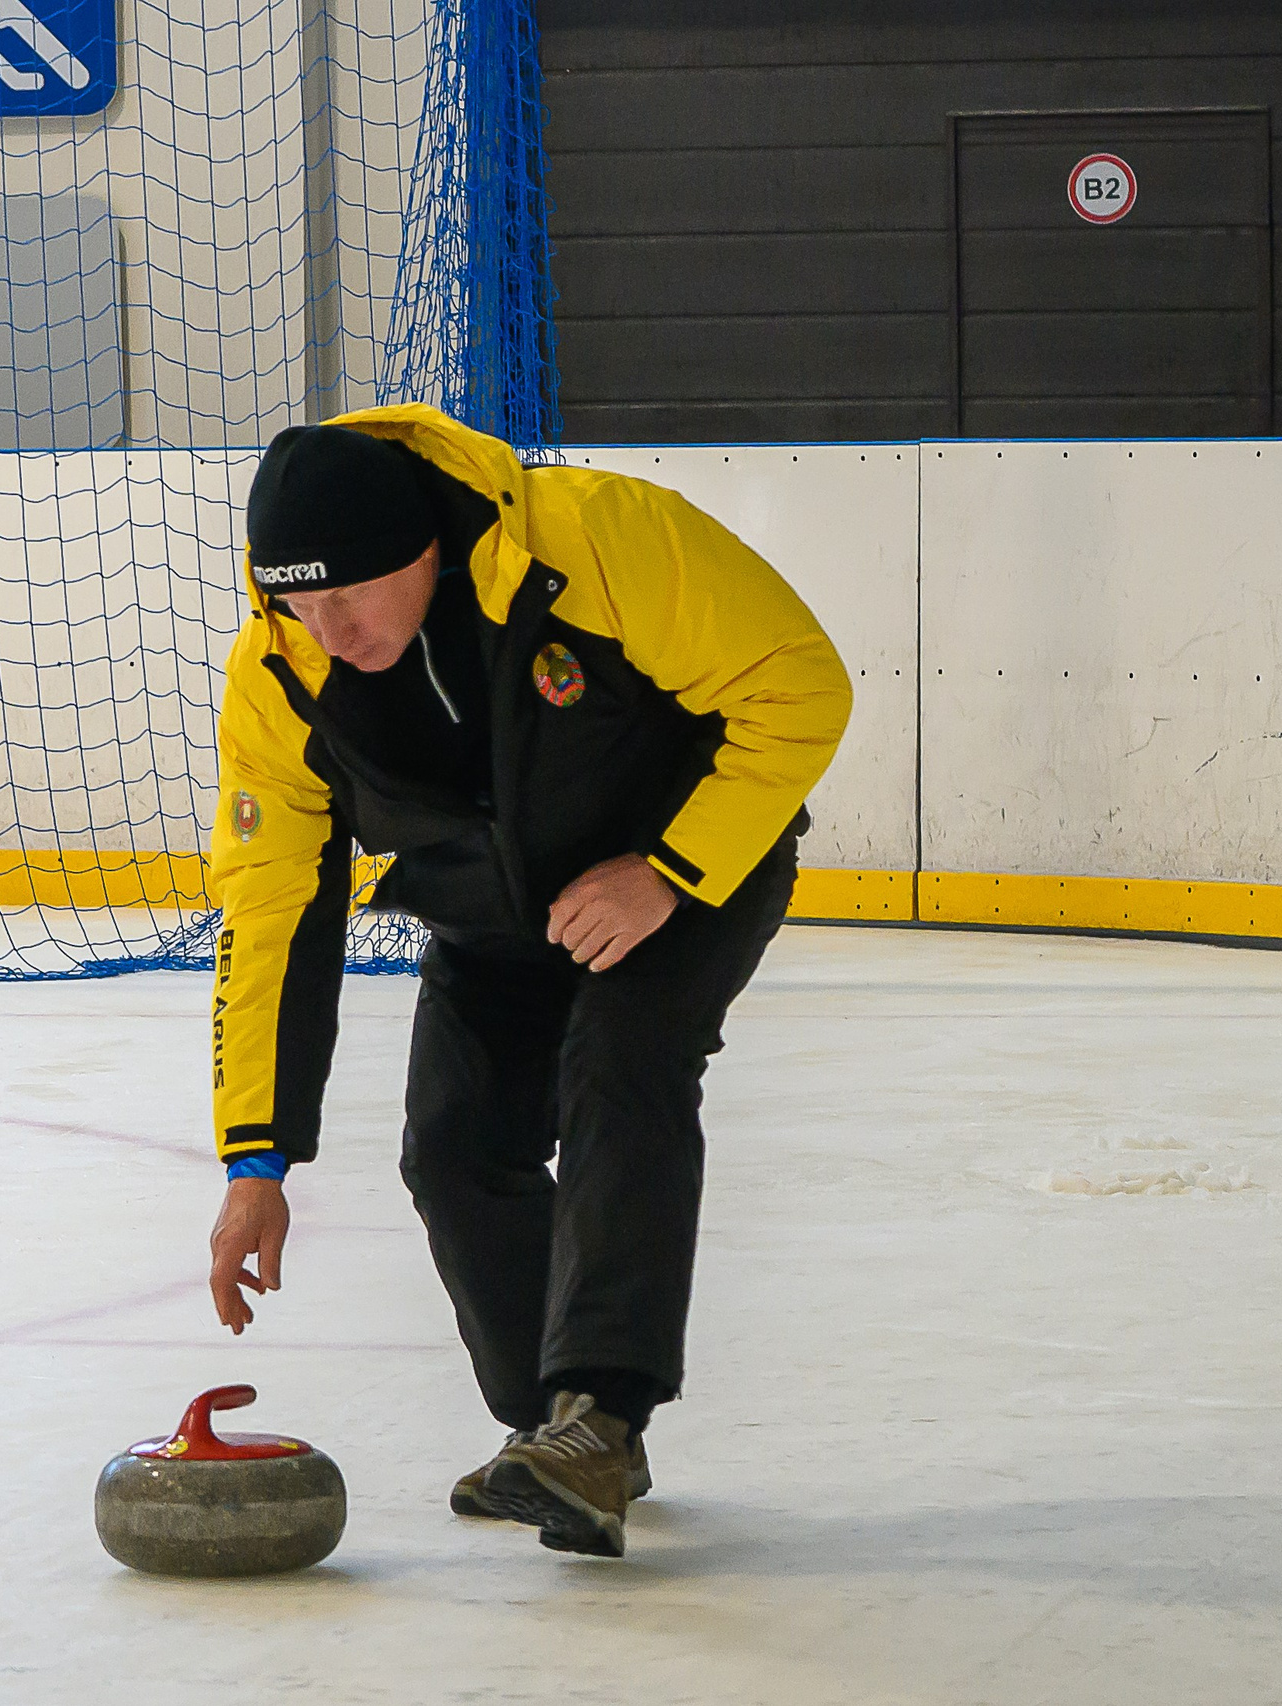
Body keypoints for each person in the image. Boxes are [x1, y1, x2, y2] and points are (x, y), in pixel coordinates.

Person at [199, 403, 853, 1558]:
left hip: (686, 859)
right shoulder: (285, 678)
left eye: (346, 595)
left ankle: (598, 1415)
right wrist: (255, 1157)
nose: (326, 628)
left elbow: (799, 683)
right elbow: (271, 909)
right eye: (294, 603)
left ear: (421, 547)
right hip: (496, 913)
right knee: (452, 1147)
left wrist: (665, 872)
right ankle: (554, 1432)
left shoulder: (594, 540)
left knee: (623, 1062)